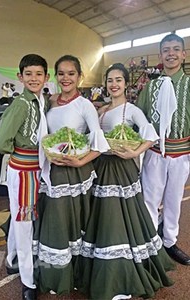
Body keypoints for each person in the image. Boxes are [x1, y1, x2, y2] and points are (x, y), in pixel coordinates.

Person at [77, 63, 174, 299]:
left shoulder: (132, 110)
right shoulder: (101, 110)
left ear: (126, 83)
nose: (114, 84)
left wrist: (133, 153)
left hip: (122, 169)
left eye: (118, 80)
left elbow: (150, 134)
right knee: (101, 216)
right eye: (110, 80)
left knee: (119, 216)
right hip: (100, 166)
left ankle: (121, 273)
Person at [33, 55, 109, 297]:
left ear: (80, 76)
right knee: (54, 225)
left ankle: (73, 275)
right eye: (62, 73)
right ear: (55, 76)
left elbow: (98, 143)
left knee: (72, 225)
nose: (66, 78)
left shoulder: (85, 105)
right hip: (52, 171)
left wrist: (79, 161)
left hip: (75, 174)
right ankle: (53, 273)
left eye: (71, 73)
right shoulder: (50, 101)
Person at [0, 54, 50, 300]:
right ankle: (28, 281)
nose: (34, 78)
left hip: (35, 169)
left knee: (20, 219)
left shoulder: (40, 100)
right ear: (20, 77)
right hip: (24, 171)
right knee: (24, 223)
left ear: (46, 77)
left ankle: (11, 258)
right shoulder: (21, 104)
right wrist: (22, 153)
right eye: (29, 74)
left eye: (39, 74)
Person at [136, 33, 190, 266]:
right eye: (166, 50)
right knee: (150, 198)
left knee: (173, 199)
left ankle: (169, 241)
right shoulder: (151, 87)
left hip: (182, 153)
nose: (171, 54)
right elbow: (140, 117)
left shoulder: (189, 84)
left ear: (183, 54)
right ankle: (149, 243)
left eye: (176, 49)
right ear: (160, 55)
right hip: (154, 152)